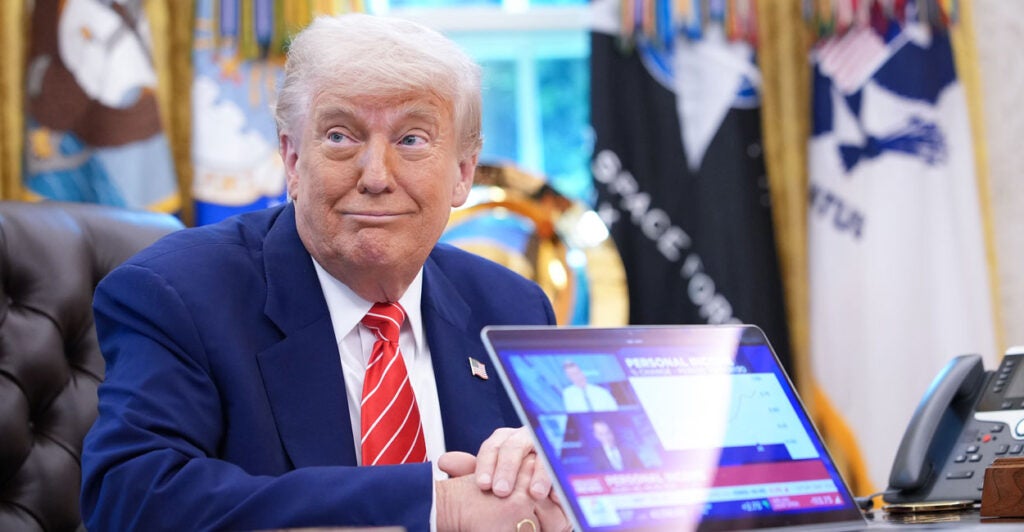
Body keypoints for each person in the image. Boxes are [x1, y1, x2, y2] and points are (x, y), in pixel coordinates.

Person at [80, 14, 570, 532]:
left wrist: (556, 476)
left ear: (463, 173)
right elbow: (130, 500)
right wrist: (437, 506)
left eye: (411, 140)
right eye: (340, 136)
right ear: (292, 160)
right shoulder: (177, 295)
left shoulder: (511, 306)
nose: (376, 177)